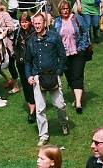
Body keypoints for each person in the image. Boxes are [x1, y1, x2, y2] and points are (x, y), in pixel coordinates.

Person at [25, 12, 69, 147]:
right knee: (40, 109)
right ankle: (43, 135)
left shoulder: (54, 37)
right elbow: (28, 61)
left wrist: (59, 72)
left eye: (39, 23)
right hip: (38, 77)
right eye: (35, 23)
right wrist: (29, 76)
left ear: (45, 23)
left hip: (53, 76)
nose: (37, 26)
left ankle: (64, 123)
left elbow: (62, 56)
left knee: (60, 105)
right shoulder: (31, 40)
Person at [53, 0, 90, 114]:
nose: (65, 11)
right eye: (63, 9)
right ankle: (76, 97)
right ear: (60, 10)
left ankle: (78, 103)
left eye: (67, 8)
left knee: (77, 75)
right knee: (69, 77)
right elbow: (55, 37)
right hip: (64, 54)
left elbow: (85, 32)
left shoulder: (76, 18)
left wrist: (82, 47)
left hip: (78, 52)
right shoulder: (57, 22)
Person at [13, 12, 37, 123]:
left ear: (29, 22)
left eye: (26, 22)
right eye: (22, 22)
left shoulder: (34, 32)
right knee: (25, 86)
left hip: (32, 64)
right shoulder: (17, 32)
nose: (24, 24)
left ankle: (35, 108)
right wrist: (18, 57)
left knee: (33, 85)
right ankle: (32, 109)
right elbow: (15, 46)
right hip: (21, 64)